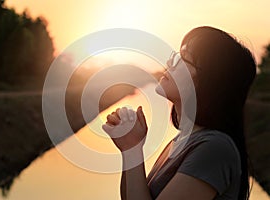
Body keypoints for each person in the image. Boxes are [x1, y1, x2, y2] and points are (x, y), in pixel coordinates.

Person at [102, 26, 256, 200]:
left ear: (210, 80)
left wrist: (132, 149)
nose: (170, 63)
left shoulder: (214, 148)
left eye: (183, 59)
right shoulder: (183, 140)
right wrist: (131, 149)